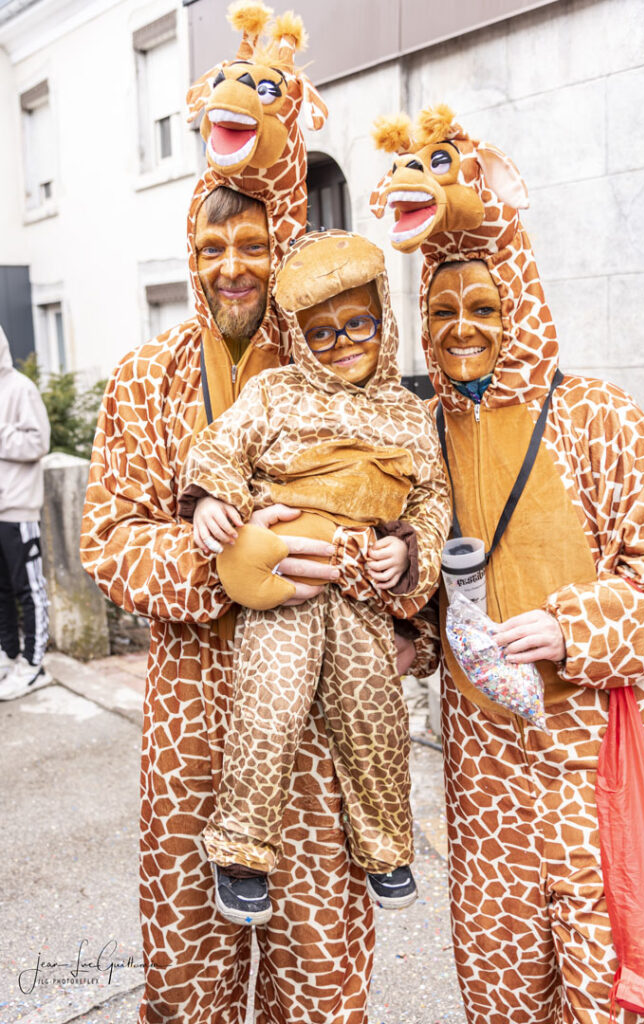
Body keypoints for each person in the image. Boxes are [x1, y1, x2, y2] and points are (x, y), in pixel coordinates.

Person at [80, 6, 403, 1020]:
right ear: (192, 250)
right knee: (187, 983)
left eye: (253, 243)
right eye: (212, 243)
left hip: (314, 740)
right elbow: (108, 537)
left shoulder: (341, 371)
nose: (232, 265)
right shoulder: (144, 378)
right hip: (188, 723)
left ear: (283, 243)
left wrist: (383, 566)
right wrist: (221, 557)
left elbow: (399, 508)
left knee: (320, 982)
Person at [371, 105, 644, 1024]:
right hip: (482, 777)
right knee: (502, 988)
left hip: (596, 761)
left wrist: (573, 624)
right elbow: (431, 594)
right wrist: (409, 636)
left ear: (521, 306)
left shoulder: (598, 417)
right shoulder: (421, 437)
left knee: (613, 983)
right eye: (441, 311)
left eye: (483, 307)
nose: (462, 328)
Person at [179, 230, 449, 924]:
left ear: (383, 318)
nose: (343, 344)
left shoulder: (408, 414)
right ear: (298, 335)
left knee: (375, 717)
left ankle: (388, 849)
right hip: (282, 588)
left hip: (360, 593)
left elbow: (432, 499)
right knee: (267, 708)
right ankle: (241, 850)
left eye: (358, 324)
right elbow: (219, 446)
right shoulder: (275, 392)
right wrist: (210, 500)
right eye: (322, 333)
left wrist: (409, 551)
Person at [0, 325, 51, 701]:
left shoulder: (21, 388)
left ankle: (35, 667)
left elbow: (38, 442)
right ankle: (8, 656)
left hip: (18, 509)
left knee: (29, 590)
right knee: (1, 591)